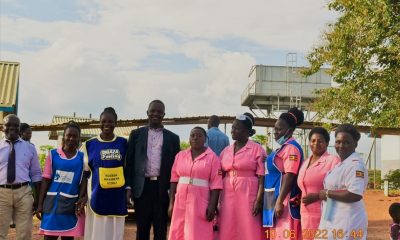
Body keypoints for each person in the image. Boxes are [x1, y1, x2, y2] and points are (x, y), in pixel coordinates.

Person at [125, 100, 180, 240]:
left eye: (159, 112)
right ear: (147, 113)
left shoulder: (173, 138)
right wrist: (129, 187)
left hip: (162, 189)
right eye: (153, 111)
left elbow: (176, 167)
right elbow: (129, 163)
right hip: (141, 188)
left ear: (164, 115)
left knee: (160, 229)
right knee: (142, 228)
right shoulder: (136, 135)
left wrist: (173, 192)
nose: (156, 114)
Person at [217, 113, 266, 240]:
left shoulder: (257, 150)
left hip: (248, 191)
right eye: (232, 127)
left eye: (237, 128)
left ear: (247, 132)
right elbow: (219, 176)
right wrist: (217, 200)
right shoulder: (225, 151)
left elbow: (262, 177)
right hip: (227, 192)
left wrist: (259, 201)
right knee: (228, 224)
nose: (233, 130)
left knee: (248, 225)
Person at [168, 126, 222, 240]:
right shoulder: (180, 155)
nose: (195, 138)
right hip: (180, 200)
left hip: (200, 200)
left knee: (197, 232)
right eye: (192, 135)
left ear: (205, 139)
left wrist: (212, 205)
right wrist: (171, 202)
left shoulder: (212, 158)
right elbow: (174, 180)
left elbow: (216, 184)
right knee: (178, 230)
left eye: (199, 136)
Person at [82, 107, 128, 240]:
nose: (107, 124)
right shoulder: (89, 144)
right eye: (104, 121)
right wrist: (83, 195)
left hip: (117, 195)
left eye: (110, 121)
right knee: (97, 231)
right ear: (99, 123)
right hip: (96, 195)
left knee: (115, 231)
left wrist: (128, 190)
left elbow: (128, 168)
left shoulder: (123, 143)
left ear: (116, 123)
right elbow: (85, 173)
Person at [37, 121, 87, 239]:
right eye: (69, 135)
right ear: (64, 136)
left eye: (75, 136)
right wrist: (40, 204)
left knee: (68, 236)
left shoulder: (82, 158)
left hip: (70, 206)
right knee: (49, 237)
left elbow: (84, 180)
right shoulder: (53, 155)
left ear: (79, 138)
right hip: (52, 205)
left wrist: (81, 199)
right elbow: (46, 180)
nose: (71, 138)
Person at [318, 124, 368, 240]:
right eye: (338, 142)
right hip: (333, 218)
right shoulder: (341, 165)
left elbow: (355, 194)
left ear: (355, 144)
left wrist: (327, 193)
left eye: (347, 142)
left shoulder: (356, 165)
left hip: (347, 221)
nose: (341, 145)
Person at [263, 107, 304, 240]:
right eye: (275, 128)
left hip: (283, 199)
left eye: (279, 129)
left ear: (290, 131)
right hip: (272, 197)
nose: (275, 132)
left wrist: (280, 201)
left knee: (284, 233)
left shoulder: (291, 148)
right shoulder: (282, 147)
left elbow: (290, 175)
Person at [0, 114, 42, 240]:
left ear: (19, 128)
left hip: (24, 192)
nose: (12, 128)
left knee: (24, 233)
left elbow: (36, 174)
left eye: (15, 126)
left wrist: (38, 200)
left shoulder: (30, 148)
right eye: (8, 125)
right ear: (3, 127)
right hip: (2, 193)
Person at [297, 127, 340, 239]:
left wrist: (317, 196)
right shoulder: (305, 162)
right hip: (305, 213)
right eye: (313, 140)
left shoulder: (333, 161)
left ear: (326, 143)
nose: (316, 143)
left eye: (320, 141)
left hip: (324, 213)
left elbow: (339, 189)